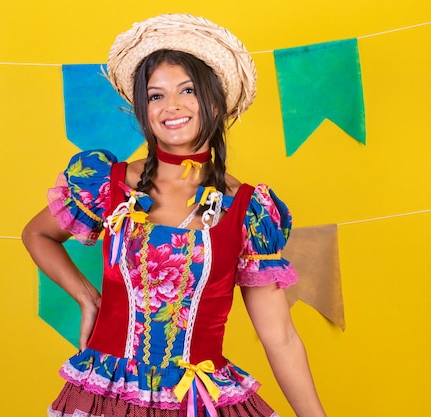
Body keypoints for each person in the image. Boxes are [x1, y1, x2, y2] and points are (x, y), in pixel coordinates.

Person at [22, 13, 326, 417]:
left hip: (197, 402)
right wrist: (87, 298)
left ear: (215, 101)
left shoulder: (248, 209)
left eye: (187, 90)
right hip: (107, 398)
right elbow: (36, 234)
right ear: (142, 109)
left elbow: (280, 337)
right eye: (156, 95)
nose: (172, 106)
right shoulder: (108, 185)